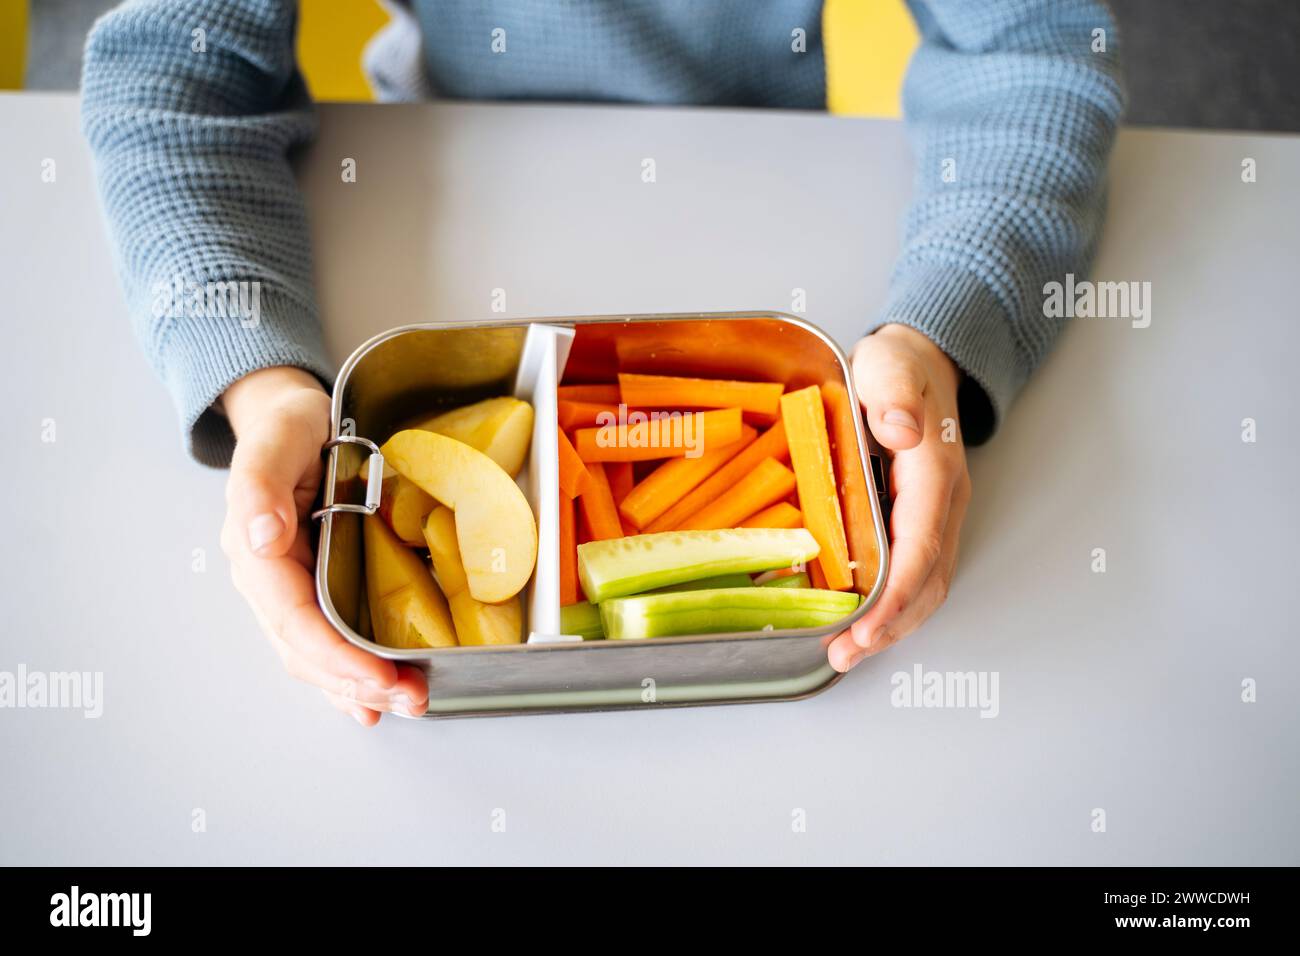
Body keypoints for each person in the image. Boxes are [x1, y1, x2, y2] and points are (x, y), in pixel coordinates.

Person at [80, 1, 1124, 724]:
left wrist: (945, 325)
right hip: (433, 162)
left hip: (769, 177)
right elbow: (172, 80)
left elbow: (1033, 44)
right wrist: (259, 381)